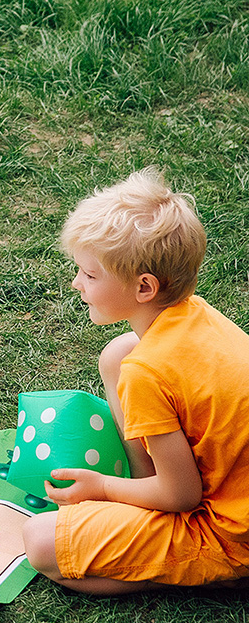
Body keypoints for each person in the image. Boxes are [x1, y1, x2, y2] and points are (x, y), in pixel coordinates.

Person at [22, 169, 249, 594]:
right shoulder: (196, 312)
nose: (76, 283)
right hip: (230, 491)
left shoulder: (147, 372)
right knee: (116, 354)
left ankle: (196, 568)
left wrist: (104, 488)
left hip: (231, 532)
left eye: (90, 275)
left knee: (40, 541)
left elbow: (183, 495)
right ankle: (145, 488)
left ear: (144, 287)